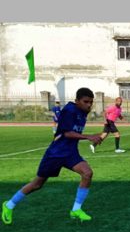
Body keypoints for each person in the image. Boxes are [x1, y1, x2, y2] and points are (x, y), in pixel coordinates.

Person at [2, 88, 103, 224]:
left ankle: (76, 210)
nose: (89, 105)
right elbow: (67, 133)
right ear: (77, 101)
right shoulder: (70, 110)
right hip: (56, 153)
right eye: (86, 102)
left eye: (91, 102)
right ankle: (9, 205)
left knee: (87, 173)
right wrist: (89, 136)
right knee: (37, 184)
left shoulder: (82, 112)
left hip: (70, 153)